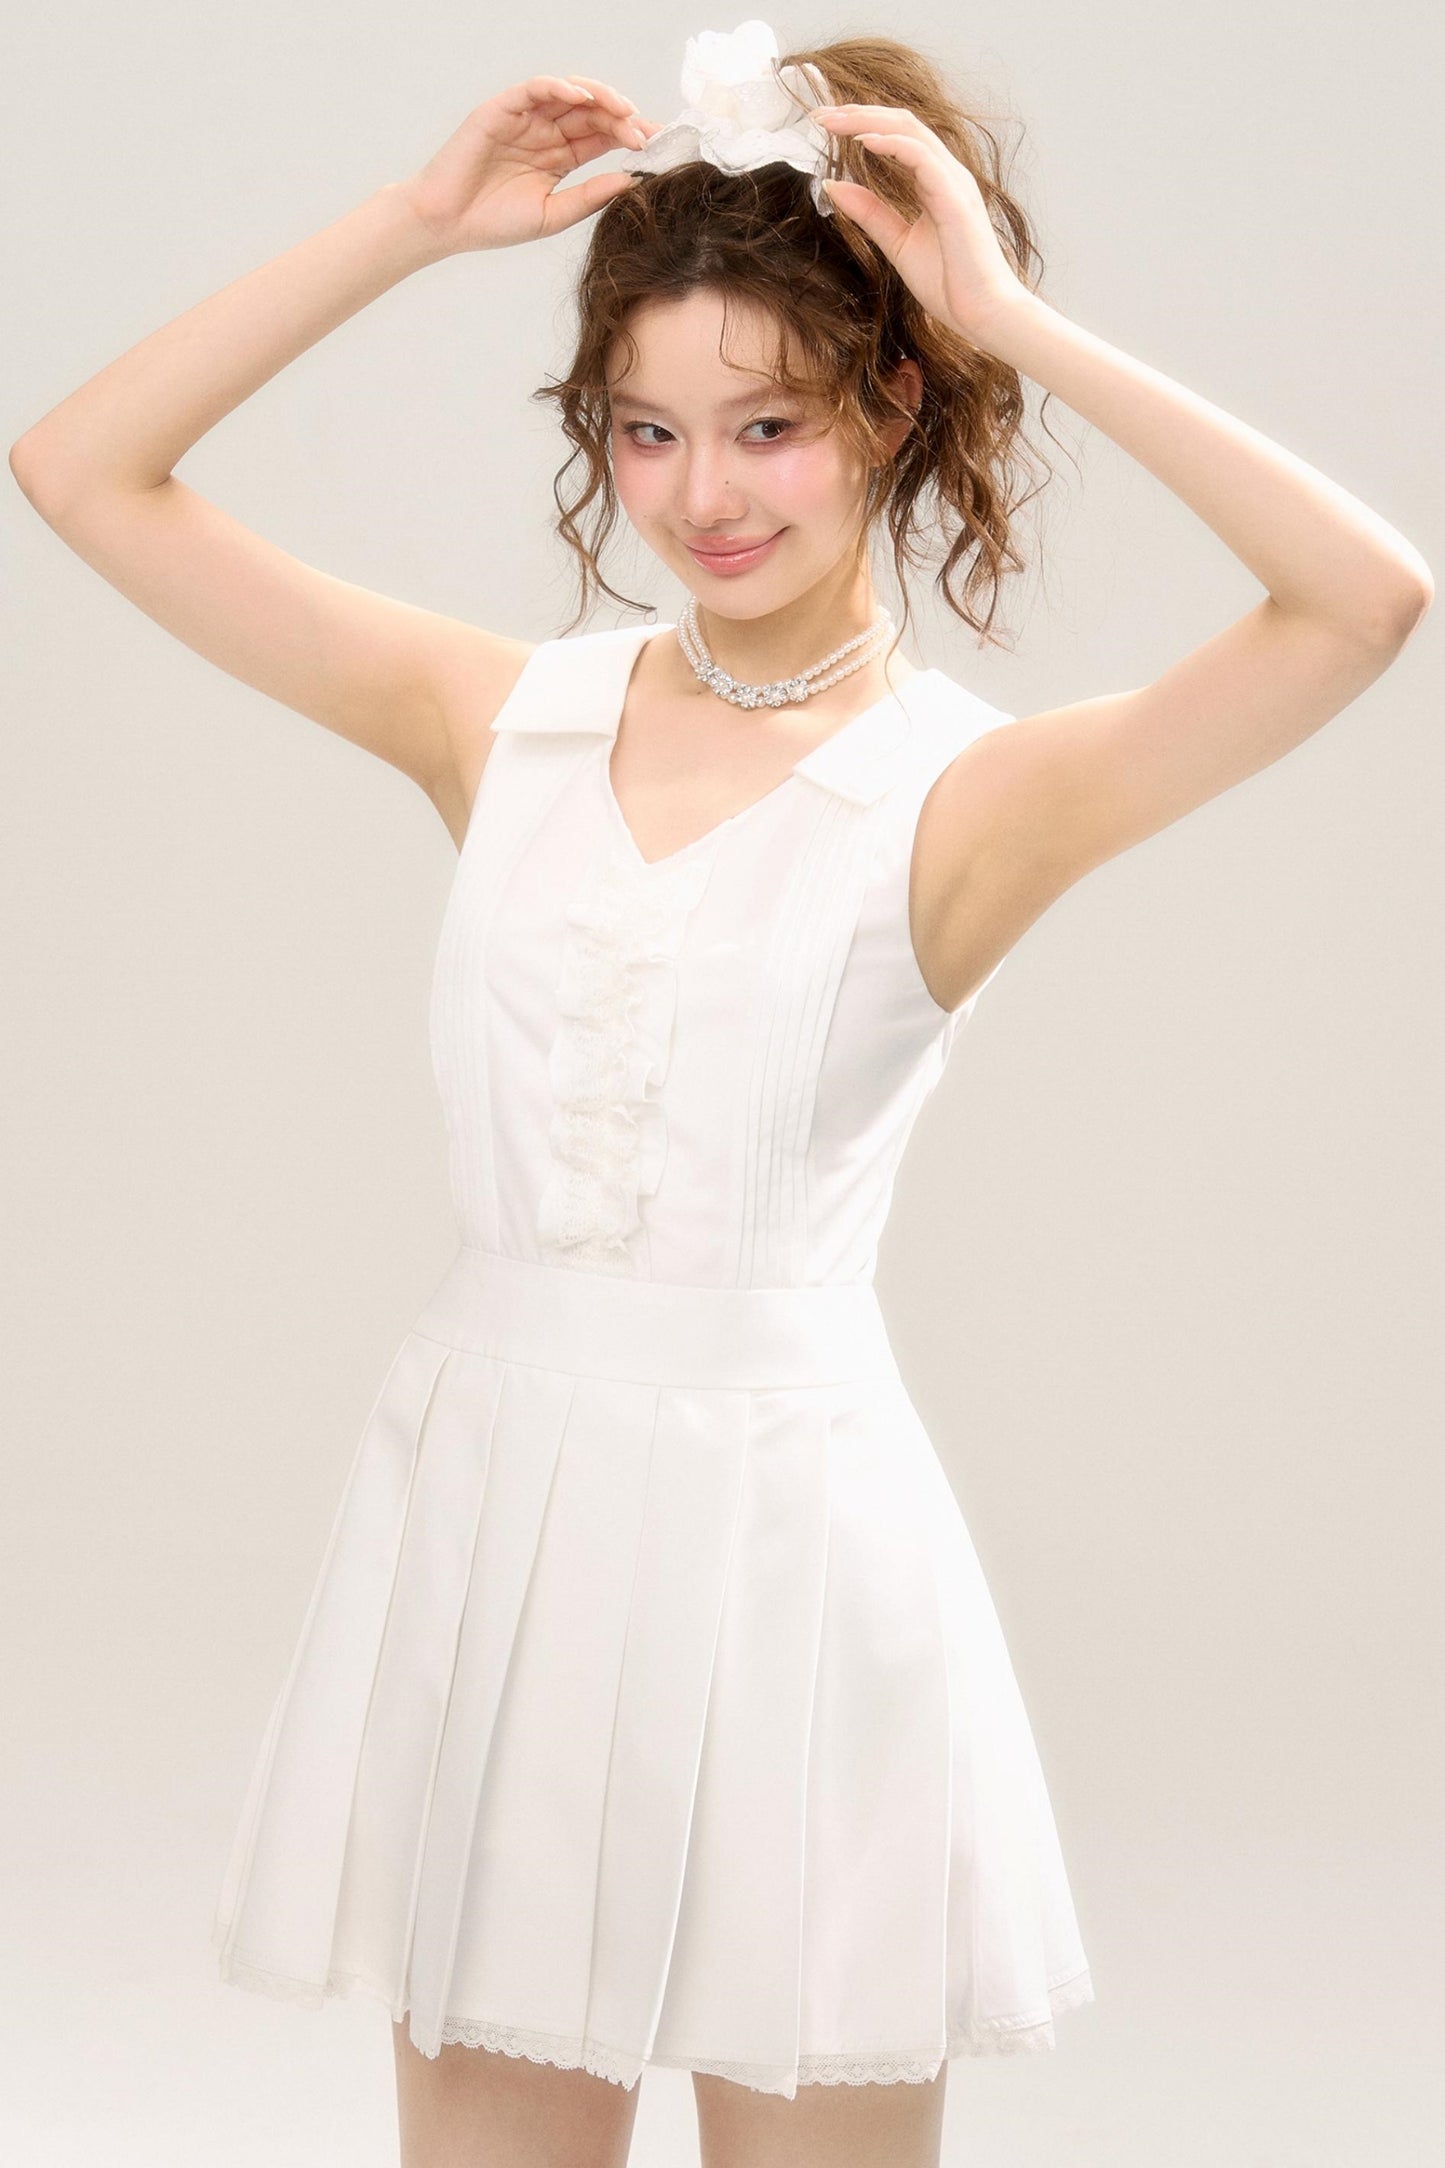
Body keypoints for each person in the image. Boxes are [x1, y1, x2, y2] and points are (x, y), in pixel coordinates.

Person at [9, 20, 1432, 2168]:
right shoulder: (501, 721)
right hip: (498, 1525)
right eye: (648, 430)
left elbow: (1363, 599)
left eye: (768, 423)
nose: (703, 496)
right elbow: (82, 470)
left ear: (890, 407)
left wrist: (1010, 317)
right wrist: (409, 228)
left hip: (789, 1567)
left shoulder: (962, 797)